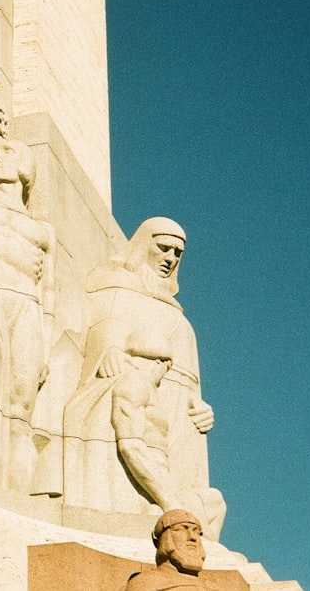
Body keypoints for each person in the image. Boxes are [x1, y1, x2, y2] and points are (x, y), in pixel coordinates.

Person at [63, 218, 225, 540]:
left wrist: (200, 405)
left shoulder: (177, 314)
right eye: (163, 248)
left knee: (199, 496)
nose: (170, 258)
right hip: (139, 396)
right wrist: (109, 351)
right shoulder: (115, 289)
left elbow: (190, 379)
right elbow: (102, 333)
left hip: (179, 415)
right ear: (143, 246)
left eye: (177, 253)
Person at [125, 510, 210, 591]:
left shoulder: (209, 585)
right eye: (182, 529)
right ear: (163, 538)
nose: (192, 537)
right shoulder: (145, 582)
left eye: (196, 531)